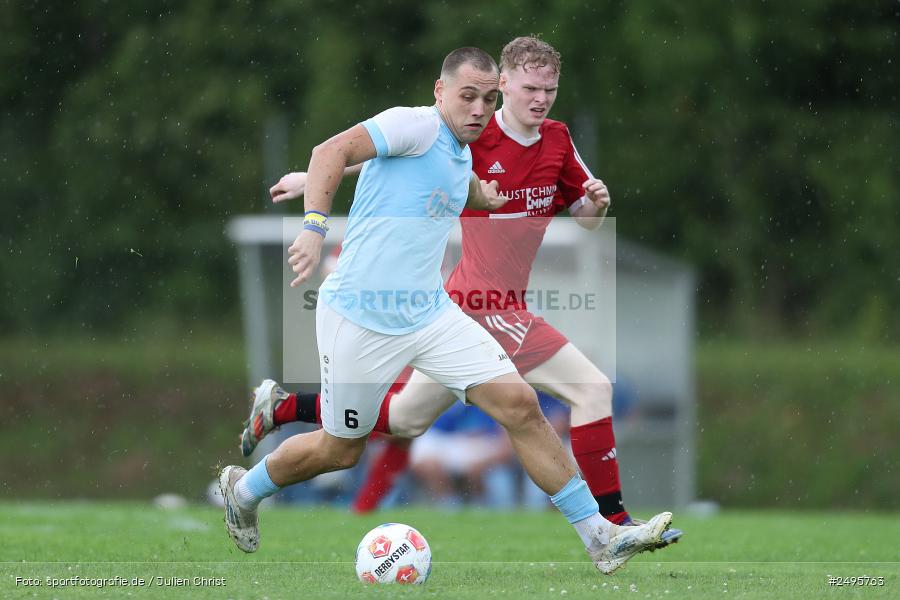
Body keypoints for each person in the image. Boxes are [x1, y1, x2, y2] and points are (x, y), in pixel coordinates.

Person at [220, 45, 673, 575]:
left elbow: (463, 189)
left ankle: (600, 535)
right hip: (359, 318)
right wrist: (314, 225)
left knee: (519, 406)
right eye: (467, 96)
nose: (479, 109)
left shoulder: (463, 155)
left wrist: (490, 199)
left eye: (487, 99)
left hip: (432, 315)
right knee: (341, 451)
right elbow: (330, 151)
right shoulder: (413, 124)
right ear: (440, 91)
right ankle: (243, 490)